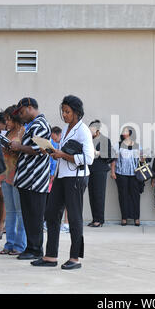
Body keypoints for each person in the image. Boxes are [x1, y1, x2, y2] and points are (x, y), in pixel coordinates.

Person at [32, 95, 94, 270]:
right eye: (63, 111)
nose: (64, 115)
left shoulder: (83, 131)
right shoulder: (66, 128)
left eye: (67, 111)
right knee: (51, 213)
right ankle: (50, 256)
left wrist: (63, 155)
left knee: (74, 217)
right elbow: (64, 153)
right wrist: (52, 151)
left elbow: (88, 158)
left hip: (76, 177)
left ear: (77, 112)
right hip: (61, 175)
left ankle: (75, 258)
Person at [9, 97, 51, 260]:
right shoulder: (33, 125)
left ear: (30, 107)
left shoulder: (40, 124)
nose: (20, 115)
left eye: (21, 111)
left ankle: (35, 249)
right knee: (29, 216)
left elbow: (41, 149)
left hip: (35, 179)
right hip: (28, 179)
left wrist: (19, 147)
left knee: (34, 216)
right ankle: (31, 247)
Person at [0, 105, 27, 255]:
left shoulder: (24, 131)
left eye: (8, 119)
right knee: (9, 212)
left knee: (20, 212)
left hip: (18, 176)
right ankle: (9, 243)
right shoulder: (8, 133)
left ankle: (20, 245)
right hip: (6, 174)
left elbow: (26, 151)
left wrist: (16, 148)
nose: (6, 122)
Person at [110, 126, 146, 226]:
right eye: (123, 131)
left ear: (130, 133)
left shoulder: (137, 145)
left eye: (125, 131)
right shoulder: (118, 145)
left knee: (135, 196)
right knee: (123, 195)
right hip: (121, 173)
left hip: (135, 174)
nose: (123, 132)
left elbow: (142, 159)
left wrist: (143, 156)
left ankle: (136, 218)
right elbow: (114, 159)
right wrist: (112, 172)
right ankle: (124, 217)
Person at [88, 120, 114, 227]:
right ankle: (94, 218)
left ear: (97, 130)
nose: (90, 131)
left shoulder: (105, 140)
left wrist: (97, 152)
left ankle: (99, 220)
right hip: (90, 170)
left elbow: (109, 155)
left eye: (92, 129)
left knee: (99, 195)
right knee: (92, 195)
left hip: (100, 170)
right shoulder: (88, 140)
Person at [49, 126, 70, 233]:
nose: (53, 140)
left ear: (59, 135)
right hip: (57, 175)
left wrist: (52, 174)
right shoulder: (55, 144)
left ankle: (66, 223)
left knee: (67, 201)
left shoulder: (63, 143)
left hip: (64, 175)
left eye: (54, 138)